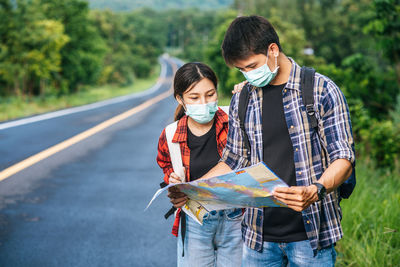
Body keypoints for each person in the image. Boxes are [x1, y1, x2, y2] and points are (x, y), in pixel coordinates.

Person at [168, 16, 355, 266]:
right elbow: (234, 159)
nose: (248, 74)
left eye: (252, 66)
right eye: (242, 70)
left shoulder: (321, 90)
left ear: (273, 50)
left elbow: (343, 157)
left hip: (311, 237)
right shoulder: (243, 98)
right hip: (258, 239)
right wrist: (193, 191)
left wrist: (315, 190)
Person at [156, 62, 243, 267]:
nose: (203, 103)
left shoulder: (236, 121)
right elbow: (166, 167)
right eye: (194, 97)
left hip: (237, 220)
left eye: (210, 94)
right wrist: (173, 181)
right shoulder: (170, 134)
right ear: (180, 99)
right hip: (196, 221)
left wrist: (249, 92)